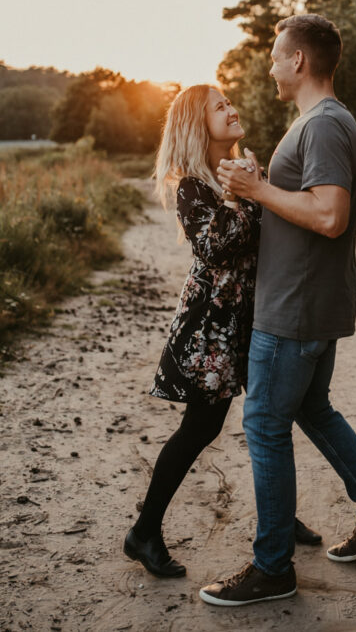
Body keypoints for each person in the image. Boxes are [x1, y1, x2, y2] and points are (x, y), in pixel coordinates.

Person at [200, 15, 356, 606]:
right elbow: (310, 203)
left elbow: (329, 216)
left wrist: (256, 191)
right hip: (308, 301)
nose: (269, 66)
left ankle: (273, 568)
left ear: (298, 61)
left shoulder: (323, 126)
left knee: (265, 424)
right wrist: (261, 181)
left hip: (294, 309)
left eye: (274, 55)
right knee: (313, 409)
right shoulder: (320, 125)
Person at [123, 84, 321, 579]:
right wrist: (244, 194)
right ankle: (144, 532)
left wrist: (256, 187)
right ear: (197, 124)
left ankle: (278, 520)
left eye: (231, 101)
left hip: (258, 318)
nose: (232, 109)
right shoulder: (193, 183)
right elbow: (214, 247)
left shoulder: (245, 168)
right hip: (211, 327)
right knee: (201, 428)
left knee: (273, 418)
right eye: (219, 106)